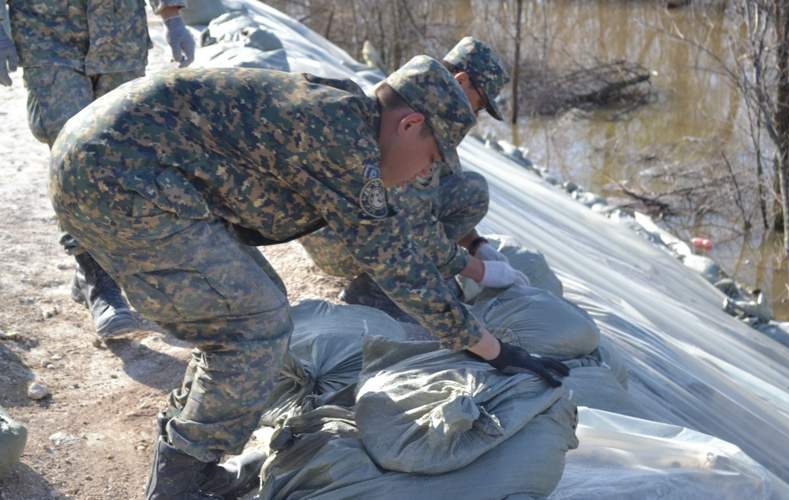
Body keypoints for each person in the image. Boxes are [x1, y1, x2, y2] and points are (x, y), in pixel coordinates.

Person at [49, 56, 569, 498]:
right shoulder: (347, 146)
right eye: (431, 158)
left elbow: (398, 247)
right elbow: (396, 263)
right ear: (410, 125)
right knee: (256, 322)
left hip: (126, 164)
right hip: (117, 175)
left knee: (252, 309)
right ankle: (181, 480)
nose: (421, 173)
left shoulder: (349, 119)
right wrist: (494, 351)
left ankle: (188, 458)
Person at [0, 0, 195, 339]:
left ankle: (118, 266)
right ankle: (97, 279)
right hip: (46, 36)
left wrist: (172, 14)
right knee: (70, 152)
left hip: (120, 36)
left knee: (118, 154)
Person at [300, 37, 525, 318]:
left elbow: (430, 198)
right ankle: (375, 287)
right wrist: (475, 269)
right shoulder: (411, 126)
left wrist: (476, 245)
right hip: (339, 244)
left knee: (471, 189)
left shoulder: (415, 108)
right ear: (462, 80)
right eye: (478, 105)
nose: (475, 115)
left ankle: (418, 269)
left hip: (361, 224)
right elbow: (415, 222)